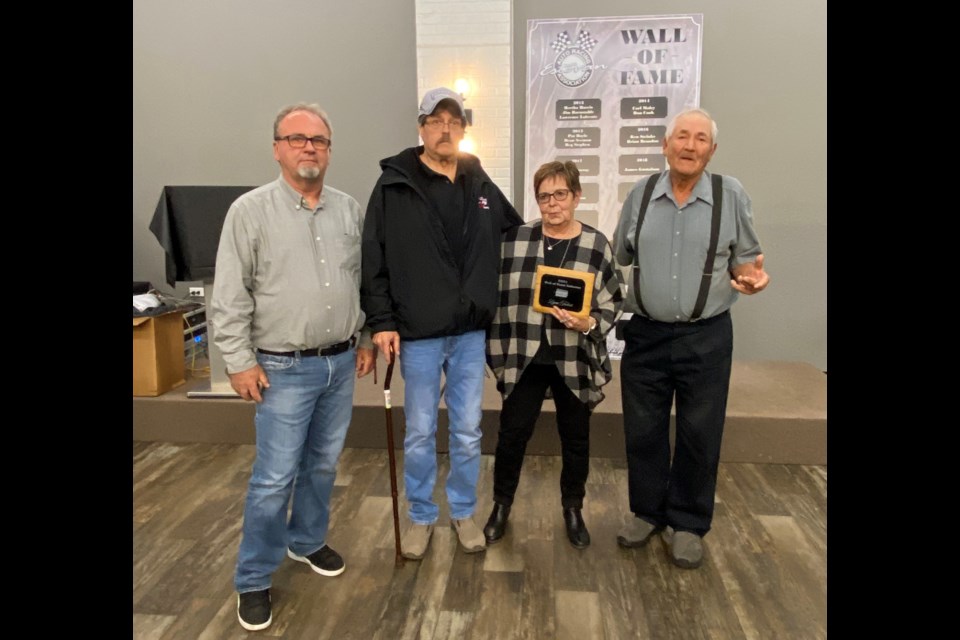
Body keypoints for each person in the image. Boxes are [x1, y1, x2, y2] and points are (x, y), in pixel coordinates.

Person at [209, 102, 376, 631]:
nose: (310, 148)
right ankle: (254, 578)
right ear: (277, 146)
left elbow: (365, 283)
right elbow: (230, 296)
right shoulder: (249, 212)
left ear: (329, 150)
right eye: (298, 138)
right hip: (280, 367)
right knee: (274, 478)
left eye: (320, 141)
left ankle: (306, 541)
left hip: (341, 362)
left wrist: (367, 335)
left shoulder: (349, 210)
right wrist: (237, 361)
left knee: (324, 466)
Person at [361, 87, 523, 560]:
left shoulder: (478, 181)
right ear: (421, 127)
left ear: (464, 129)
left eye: (454, 121)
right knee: (420, 431)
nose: (445, 128)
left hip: (470, 332)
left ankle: (463, 511)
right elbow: (374, 256)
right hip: (419, 333)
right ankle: (420, 516)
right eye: (436, 120)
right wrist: (381, 321)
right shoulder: (394, 184)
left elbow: (515, 234)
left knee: (469, 430)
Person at [612, 107, 769, 569]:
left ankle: (687, 523)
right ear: (666, 145)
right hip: (645, 334)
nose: (690, 146)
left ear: (712, 150)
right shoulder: (639, 195)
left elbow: (747, 260)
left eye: (701, 139)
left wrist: (752, 279)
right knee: (643, 430)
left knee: (701, 432)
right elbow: (622, 251)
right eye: (682, 136)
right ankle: (647, 512)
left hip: (707, 337)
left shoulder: (730, 195)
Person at [484, 161, 623, 549]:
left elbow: (614, 297)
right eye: (544, 196)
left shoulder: (595, 245)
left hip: (573, 357)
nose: (552, 204)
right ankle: (501, 505)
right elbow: (493, 290)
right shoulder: (514, 240)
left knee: (575, 439)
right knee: (512, 436)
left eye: (560, 194)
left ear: (576, 196)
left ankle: (573, 508)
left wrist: (590, 323)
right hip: (524, 355)